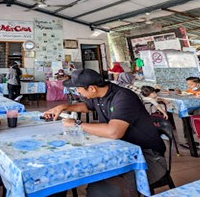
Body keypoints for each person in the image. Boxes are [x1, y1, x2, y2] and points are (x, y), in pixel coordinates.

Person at [43, 69, 167, 197]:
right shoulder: (100, 94)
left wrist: (77, 123)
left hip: (146, 157)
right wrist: (64, 107)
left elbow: (114, 132)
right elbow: (86, 106)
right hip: (120, 150)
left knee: (101, 191)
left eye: (78, 89)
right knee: (73, 171)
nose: (77, 92)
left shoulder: (123, 97)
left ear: (91, 88)